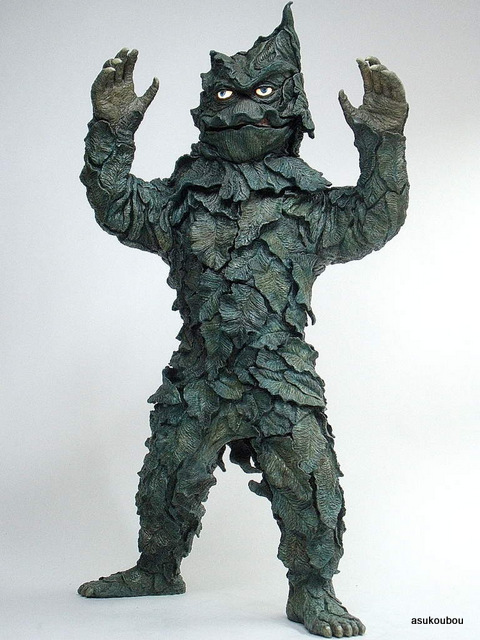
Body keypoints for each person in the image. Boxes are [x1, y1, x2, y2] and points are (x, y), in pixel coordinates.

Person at [78, 5, 408, 637]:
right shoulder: (181, 199)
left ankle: (313, 589)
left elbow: (375, 216)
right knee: (167, 475)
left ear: (292, 105)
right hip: (200, 375)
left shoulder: (312, 207)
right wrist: (110, 130)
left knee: (310, 481)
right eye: (225, 95)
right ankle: (156, 567)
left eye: (261, 95)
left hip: (280, 381)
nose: (239, 110)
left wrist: (384, 141)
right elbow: (118, 205)